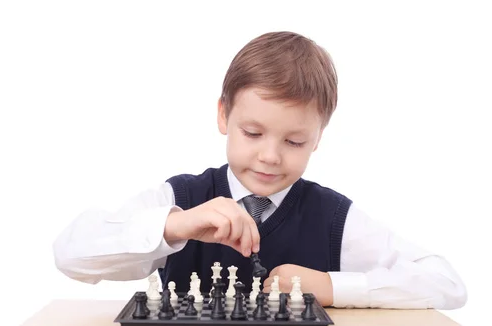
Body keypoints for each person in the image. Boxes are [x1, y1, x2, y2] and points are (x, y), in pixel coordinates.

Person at [53, 31, 467, 309]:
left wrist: (330, 287)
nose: (270, 156)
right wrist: (173, 227)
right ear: (223, 116)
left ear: (319, 137)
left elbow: (446, 284)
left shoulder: (333, 218)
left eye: (294, 142)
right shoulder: (178, 200)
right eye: (252, 132)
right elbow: (71, 255)